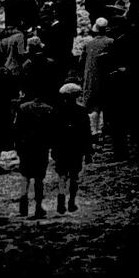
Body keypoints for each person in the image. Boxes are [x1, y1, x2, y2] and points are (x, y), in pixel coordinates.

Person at [13, 89, 57, 219]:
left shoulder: (23, 108)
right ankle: (38, 206)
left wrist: (18, 146)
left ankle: (23, 205)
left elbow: (17, 129)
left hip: (26, 147)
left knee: (24, 177)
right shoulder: (48, 109)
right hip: (41, 148)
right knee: (39, 178)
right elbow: (52, 132)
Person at [52, 83, 93, 214]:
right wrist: (88, 152)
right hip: (76, 148)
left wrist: (53, 148)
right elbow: (87, 134)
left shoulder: (57, 111)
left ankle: (61, 201)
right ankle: (72, 202)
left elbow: (53, 133)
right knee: (74, 176)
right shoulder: (82, 112)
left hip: (61, 148)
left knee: (62, 176)